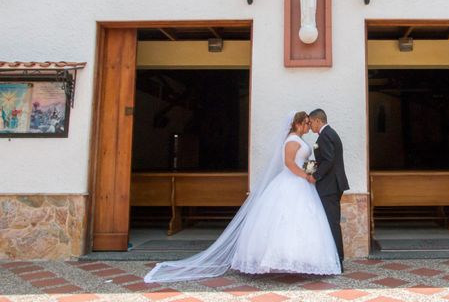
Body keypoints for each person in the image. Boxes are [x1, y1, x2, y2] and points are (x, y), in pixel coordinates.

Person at [144, 111, 341, 283]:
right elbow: (289, 163)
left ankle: (299, 260)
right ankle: (277, 259)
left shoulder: (300, 140)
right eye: (306, 123)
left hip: (301, 185)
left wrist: (312, 171)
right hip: (293, 182)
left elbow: (301, 161)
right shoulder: (291, 140)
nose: (308, 126)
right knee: (283, 220)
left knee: (302, 222)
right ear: (298, 124)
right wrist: (306, 175)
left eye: (309, 122)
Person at [308, 109, 349, 272]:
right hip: (332, 184)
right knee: (329, 222)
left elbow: (329, 160)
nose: (310, 126)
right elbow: (323, 159)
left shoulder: (325, 136)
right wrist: (308, 169)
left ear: (318, 121)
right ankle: (333, 258)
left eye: (311, 122)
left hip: (330, 186)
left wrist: (315, 176)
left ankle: (338, 261)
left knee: (332, 223)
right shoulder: (327, 134)